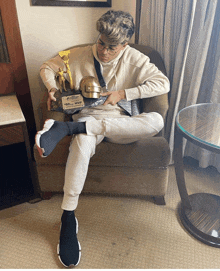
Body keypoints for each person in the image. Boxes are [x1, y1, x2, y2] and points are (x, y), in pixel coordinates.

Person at [36, 10, 170, 268]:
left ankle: (70, 128)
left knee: (157, 120)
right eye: (101, 43)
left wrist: (124, 93)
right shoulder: (78, 54)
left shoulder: (135, 59)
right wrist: (52, 88)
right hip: (87, 115)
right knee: (83, 140)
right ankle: (67, 216)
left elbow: (162, 83)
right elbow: (47, 67)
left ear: (124, 45)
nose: (104, 52)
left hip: (120, 122)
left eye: (112, 48)